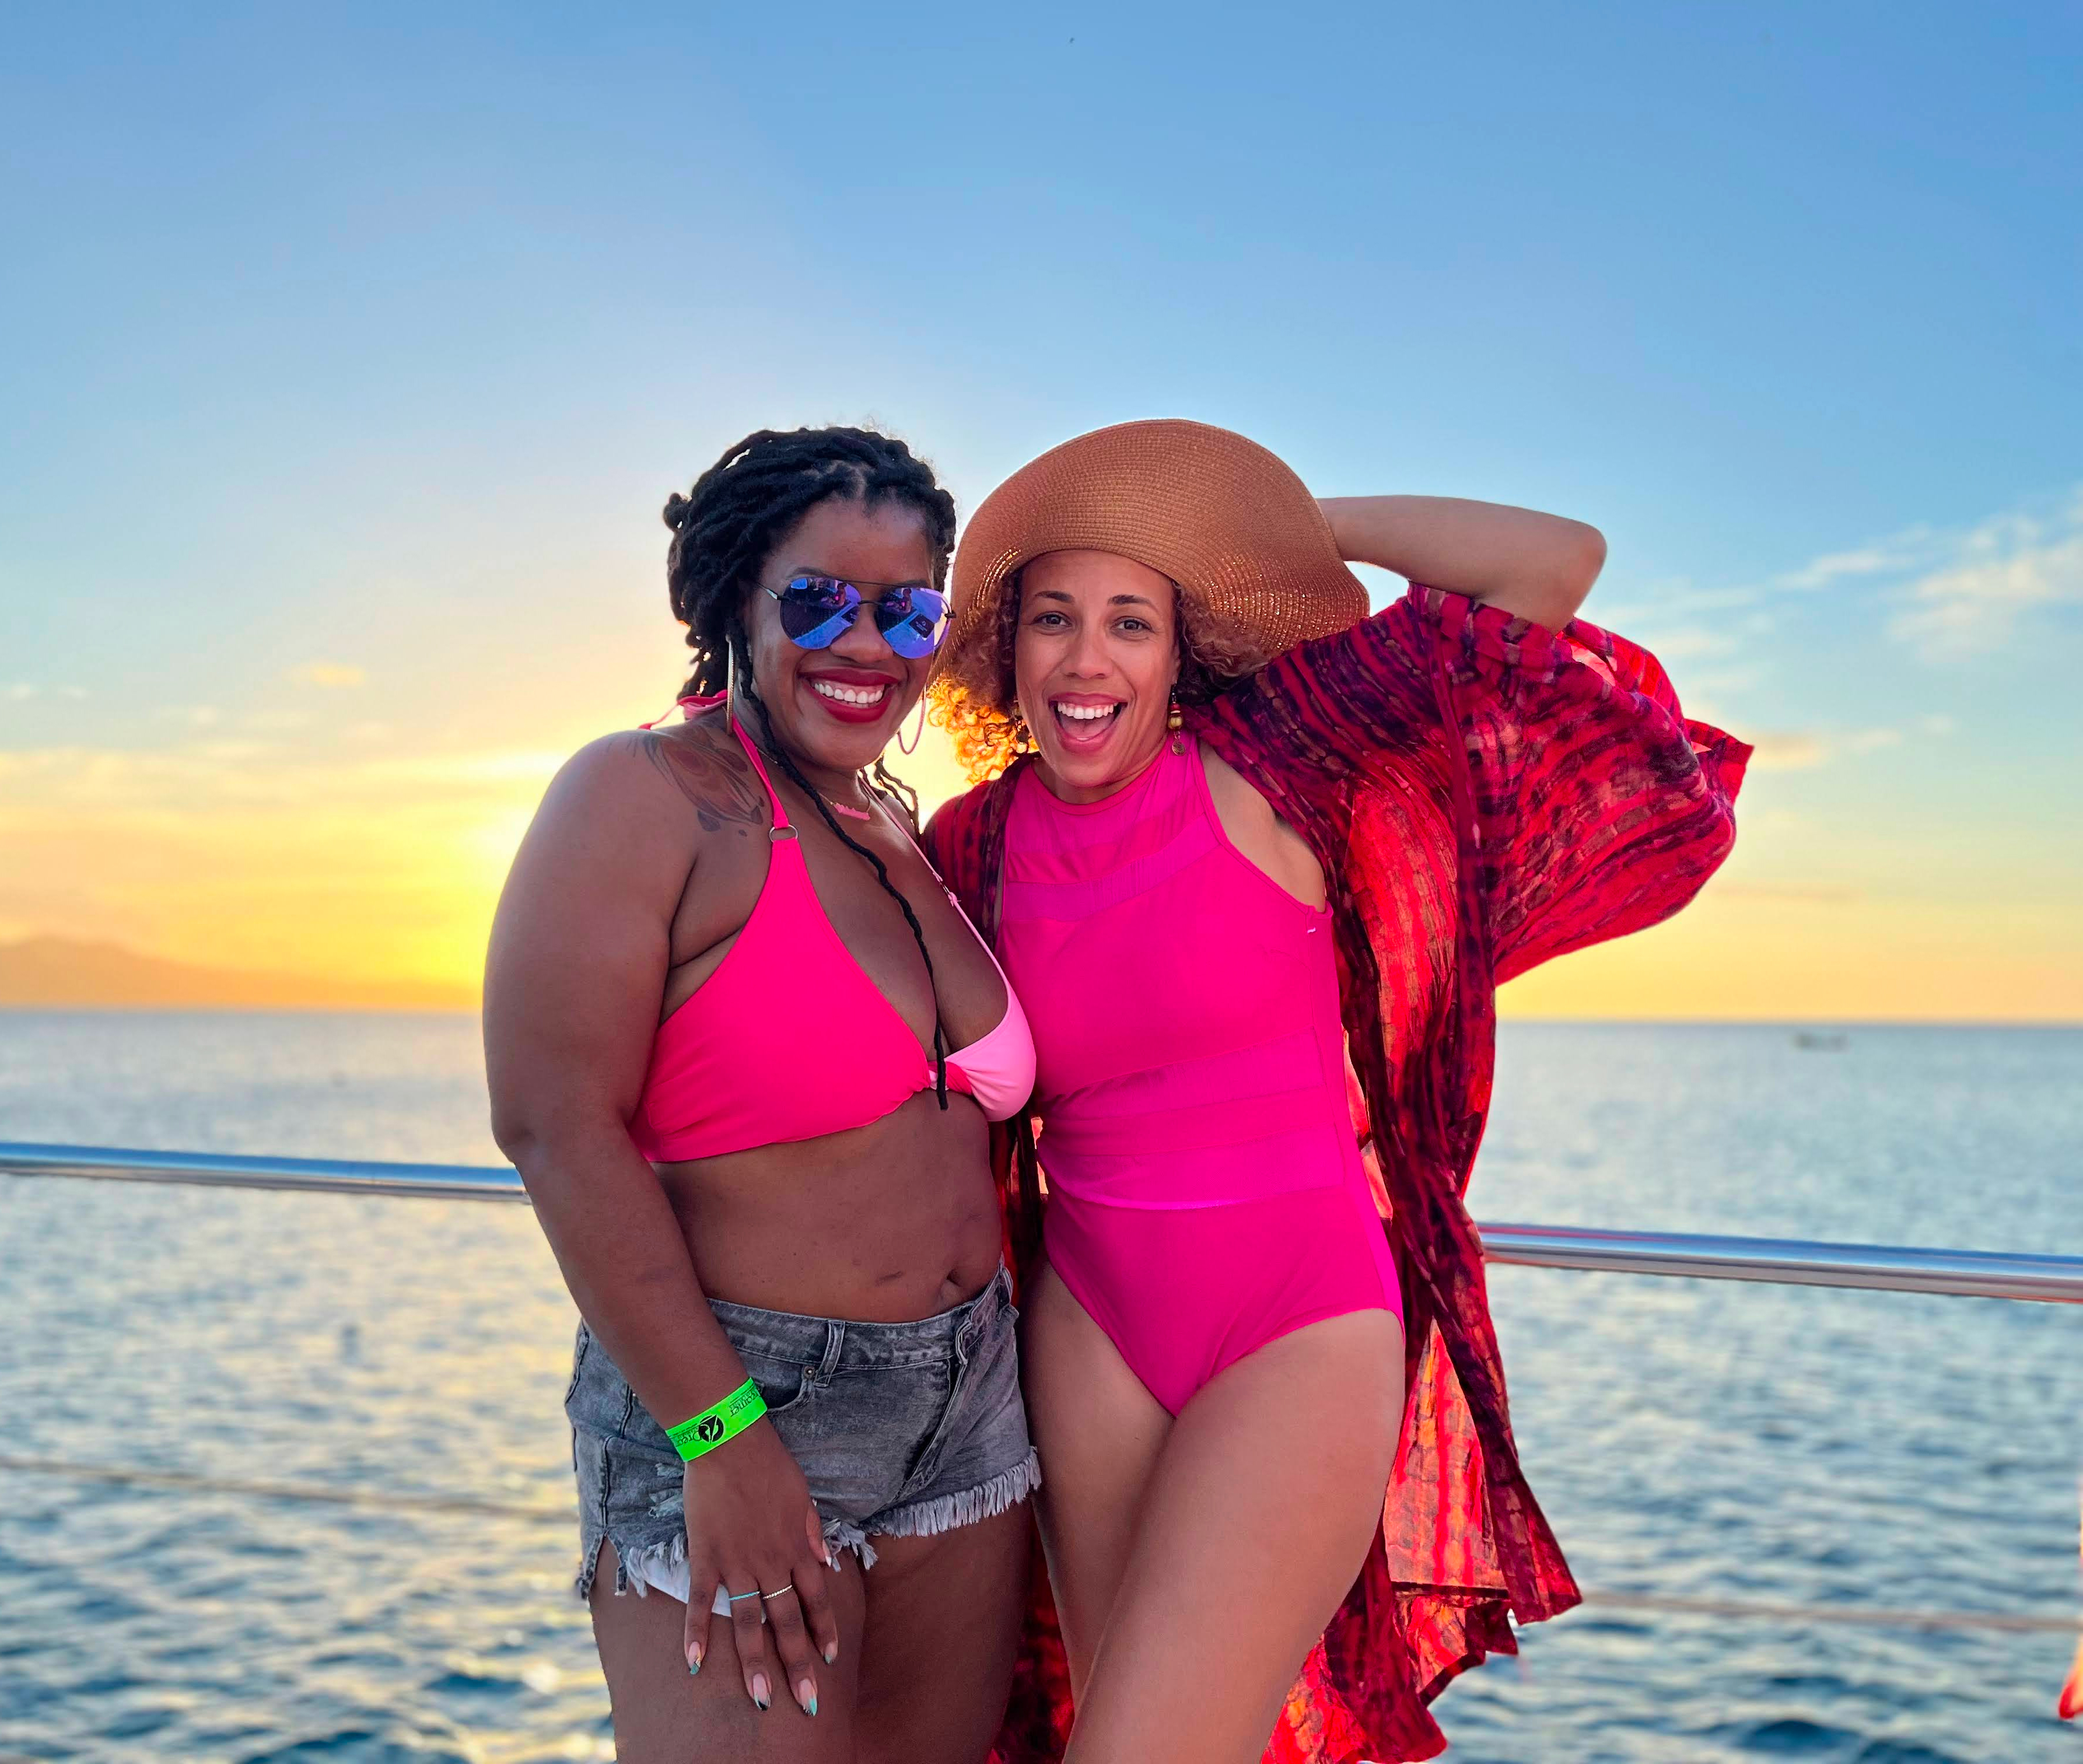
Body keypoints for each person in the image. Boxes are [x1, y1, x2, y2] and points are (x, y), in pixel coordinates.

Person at [925, 419, 1751, 1764]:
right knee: (1133, 1725)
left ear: (1181, 651)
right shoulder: (971, 843)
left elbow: (1553, 565)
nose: (1087, 659)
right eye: (1053, 620)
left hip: (1295, 1327)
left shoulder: (1282, 758)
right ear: (1002, 652)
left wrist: (1284, 523)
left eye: (1132, 621)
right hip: (1087, 1332)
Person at [485, 426, 1041, 1764]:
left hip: (971, 1410)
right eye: (817, 600)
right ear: (738, 595)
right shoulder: (643, 795)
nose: (864, 644)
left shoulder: (897, 830)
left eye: (906, 610)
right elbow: (553, 1127)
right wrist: (719, 1440)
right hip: (742, 1399)